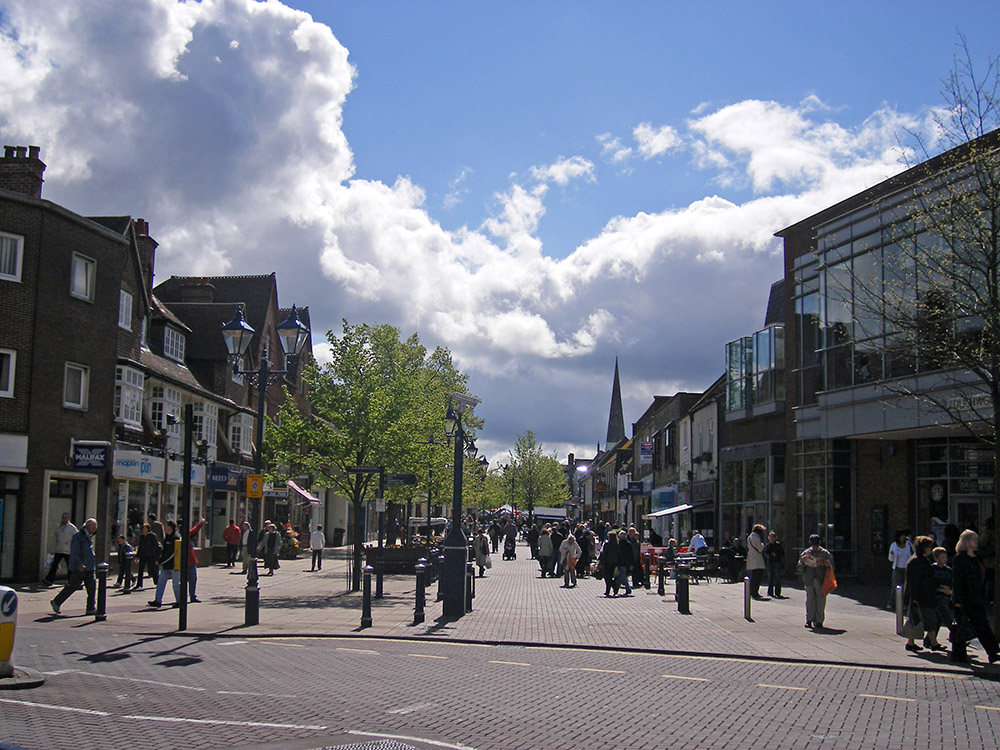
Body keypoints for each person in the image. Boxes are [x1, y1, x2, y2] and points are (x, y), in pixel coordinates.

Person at [950, 529, 1000, 664]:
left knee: (982, 625)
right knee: (965, 625)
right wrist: (958, 601)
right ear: (966, 541)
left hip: (977, 598)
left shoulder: (977, 557)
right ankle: (960, 654)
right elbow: (957, 580)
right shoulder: (960, 559)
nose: (976, 541)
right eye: (973, 539)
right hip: (965, 599)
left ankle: (992, 652)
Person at [902, 535, 945, 653]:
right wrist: (914, 598)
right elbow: (915, 581)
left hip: (923, 596)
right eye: (929, 547)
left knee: (918, 620)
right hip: (921, 597)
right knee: (927, 619)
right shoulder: (916, 561)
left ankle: (911, 643)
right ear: (924, 548)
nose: (930, 549)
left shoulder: (921, 560)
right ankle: (933, 643)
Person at [50, 518, 98, 616]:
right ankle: (57, 601)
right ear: (88, 526)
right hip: (79, 567)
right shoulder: (78, 536)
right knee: (73, 586)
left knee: (92, 588)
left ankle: (90, 608)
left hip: (89, 567)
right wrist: (79, 563)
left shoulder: (89, 536)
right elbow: (75, 552)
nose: (95, 528)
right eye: (94, 526)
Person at [800, 534, 834, 629]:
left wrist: (827, 564)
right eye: (813, 544)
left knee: (820, 600)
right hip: (809, 579)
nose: (814, 547)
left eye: (816, 544)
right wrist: (803, 562)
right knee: (810, 600)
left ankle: (819, 621)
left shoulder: (825, 553)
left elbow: (832, 566)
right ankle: (809, 619)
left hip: (820, 579)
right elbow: (799, 568)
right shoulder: (806, 553)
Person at [149, 520, 180, 608]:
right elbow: (164, 550)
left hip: (174, 565)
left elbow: (171, 553)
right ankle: (158, 601)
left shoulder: (175, 537)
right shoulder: (167, 537)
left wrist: (160, 561)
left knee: (176, 584)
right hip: (166, 565)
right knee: (160, 582)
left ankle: (179, 601)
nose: (165, 527)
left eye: (167, 526)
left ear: (171, 527)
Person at [43, 512, 77, 586]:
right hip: (59, 549)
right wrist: (52, 549)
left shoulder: (72, 528)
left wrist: (70, 545)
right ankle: (49, 580)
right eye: (63, 517)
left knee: (69, 566)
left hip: (67, 550)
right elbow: (55, 538)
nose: (64, 519)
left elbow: (76, 537)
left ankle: (72, 581)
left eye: (65, 517)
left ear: (68, 518)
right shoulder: (59, 527)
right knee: (54, 565)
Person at [887, 530, 913, 609]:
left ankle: (904, 603)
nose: (903, 537)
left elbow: (912, 553)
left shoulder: (908, 544)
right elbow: (890, 559)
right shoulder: (894, 545)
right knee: (895, 585)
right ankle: (892, 603)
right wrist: (891, 555)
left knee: (906, 587)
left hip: (907, 568)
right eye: (901, 536)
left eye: (904, 536)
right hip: (897, 568)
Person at [185, 518, 206, 602]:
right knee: (190, 580)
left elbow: (194, 530)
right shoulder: (185, 536)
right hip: (188, 562)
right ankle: (190, 596)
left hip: (190, 561)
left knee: (192, 579)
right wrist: (201, 523)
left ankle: (191, 596)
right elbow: (194, 530)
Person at [135, 523, 161, 590]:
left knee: (152, 569)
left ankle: (157, 582)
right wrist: (137, 556)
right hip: (143, 555)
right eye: (143, 529)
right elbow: (140, 547)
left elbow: (155, 545)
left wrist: (153, 553)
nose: (144, 530)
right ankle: (139, 584)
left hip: (151, 555)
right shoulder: (142, 537)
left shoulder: (152, 536)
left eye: (145, 529)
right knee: (140, 569)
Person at [746, 524, 767, 599]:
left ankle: (751, 591)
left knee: (753, 576)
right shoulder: (757, 538)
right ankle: (755, 592)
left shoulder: (749, 537)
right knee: (757, 576)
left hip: (751, 557)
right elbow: (760, 549)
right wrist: (762, 545)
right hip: (757, 558)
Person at [763, 530, 786, 598]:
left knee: (777, 577)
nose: (771, 538)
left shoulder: (778, 545)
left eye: (773, 537)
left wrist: (782, 561)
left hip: (777, 562)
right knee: (770, 577)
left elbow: (782, 554)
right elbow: (765, 553)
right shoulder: (768, 545)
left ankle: (777, 592)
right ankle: (770, 592)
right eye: (770, 537)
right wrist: (770, 555)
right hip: (770, 562)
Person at [599, 530, 620, 597]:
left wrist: (601, 561)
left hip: (607, 562)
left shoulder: (607, 544)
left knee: (607, 577)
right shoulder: (617, 545)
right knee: (610, 576)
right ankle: (609, 590)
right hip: (614, 563)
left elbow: (604, 554)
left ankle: (613, 587)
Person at [616, 530, 633, 597]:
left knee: (622, 575)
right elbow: (631, 554)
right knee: (621, 575)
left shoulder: (618, 544)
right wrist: (631, 563)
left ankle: (628, 588)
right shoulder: (628, 544)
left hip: (620, 562)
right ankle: (616, 588)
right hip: (626, 562)